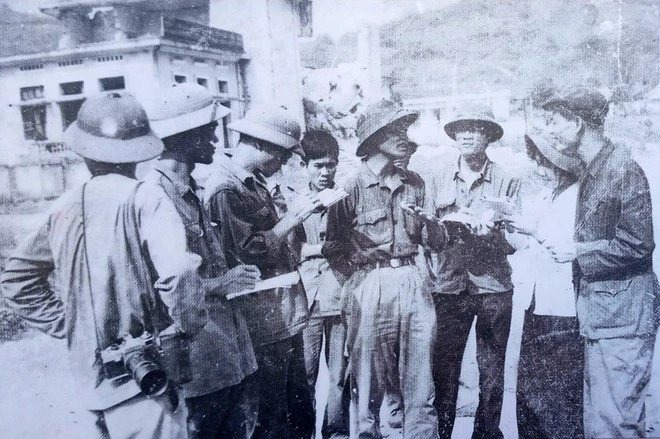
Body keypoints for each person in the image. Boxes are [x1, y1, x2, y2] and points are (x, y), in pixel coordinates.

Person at [0, 93, 229, 438]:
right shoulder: (145, 197)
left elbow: (17, 279)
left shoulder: (65, 205)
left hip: (89, 384)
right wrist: (188, 326)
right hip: (145, 381)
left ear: (83, 150)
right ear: (140, 149)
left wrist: (71, 325)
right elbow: (180, 273)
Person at [142, 83, 263, 438]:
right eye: (208, 129)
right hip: (195, 363)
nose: (215, 138)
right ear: (184, 135)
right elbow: (162, 283)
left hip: (225, 354)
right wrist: (219, 284)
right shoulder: (155, 197)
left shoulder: (191, 190)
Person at [541, 89, 660, 438]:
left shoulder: (622, 169)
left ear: (577, 123)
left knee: (617, 423)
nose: (550, 131)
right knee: (600, 424)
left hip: (623, 319)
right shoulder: (595, 169)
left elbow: (639, 244)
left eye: (554, 122)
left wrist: (579, 252)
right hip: (604, 316)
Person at [325, 99, 445, 439]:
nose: (404, 136)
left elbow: (435, 243)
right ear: (374, 137)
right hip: (369, 282)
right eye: (395, 130)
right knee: (368, 382)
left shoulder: (415, 183)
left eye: (406, 129)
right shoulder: (350, 187)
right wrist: (361, 280)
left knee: (421, 381)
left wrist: (431, 224)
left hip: (412, 280)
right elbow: (333, 247)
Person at [204, 106, 318, 439]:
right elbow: (244, 251)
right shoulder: (226, 188)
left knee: (296, 410)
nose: (283, 162)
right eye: (281, 154)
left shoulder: (252, 183)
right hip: (260, 321)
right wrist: (293, 218)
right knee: (272, 416)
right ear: (260, 144)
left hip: (280, 314)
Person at [425, 104, 520, 439]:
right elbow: (428, 239)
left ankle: (487, 434)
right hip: (449, 288)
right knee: (444, 371)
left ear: (489, 136)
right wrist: (439, 228)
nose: (466, 135)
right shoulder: (436, 177)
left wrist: (490, 235)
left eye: (475, 129)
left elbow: (514, 242)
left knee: (491, 374)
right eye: (460, 129)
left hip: (493, 289)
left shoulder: (507, 180)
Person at [508, 134, 585, 439]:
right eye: (537, 162)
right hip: (535, 301)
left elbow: (566, 248)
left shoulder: (579, 197)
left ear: (561, 165)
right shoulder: (545, 195)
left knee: (559, 392)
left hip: (562, 305)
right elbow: (525, 244)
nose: (539, 170)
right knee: (529, 389)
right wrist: (508, 225)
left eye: (545, 163)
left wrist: (534, 231)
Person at [297, 130, 350, 439]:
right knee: (305, 374)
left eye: (331, 165)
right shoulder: (293, 201)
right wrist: (322, 249)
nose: (325, 173)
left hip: (339, 294)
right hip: (306, 298)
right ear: (304, 165)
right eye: (318, 165)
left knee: (339, 374)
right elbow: (286, 247)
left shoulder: (345, 198)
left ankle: (336, 433)